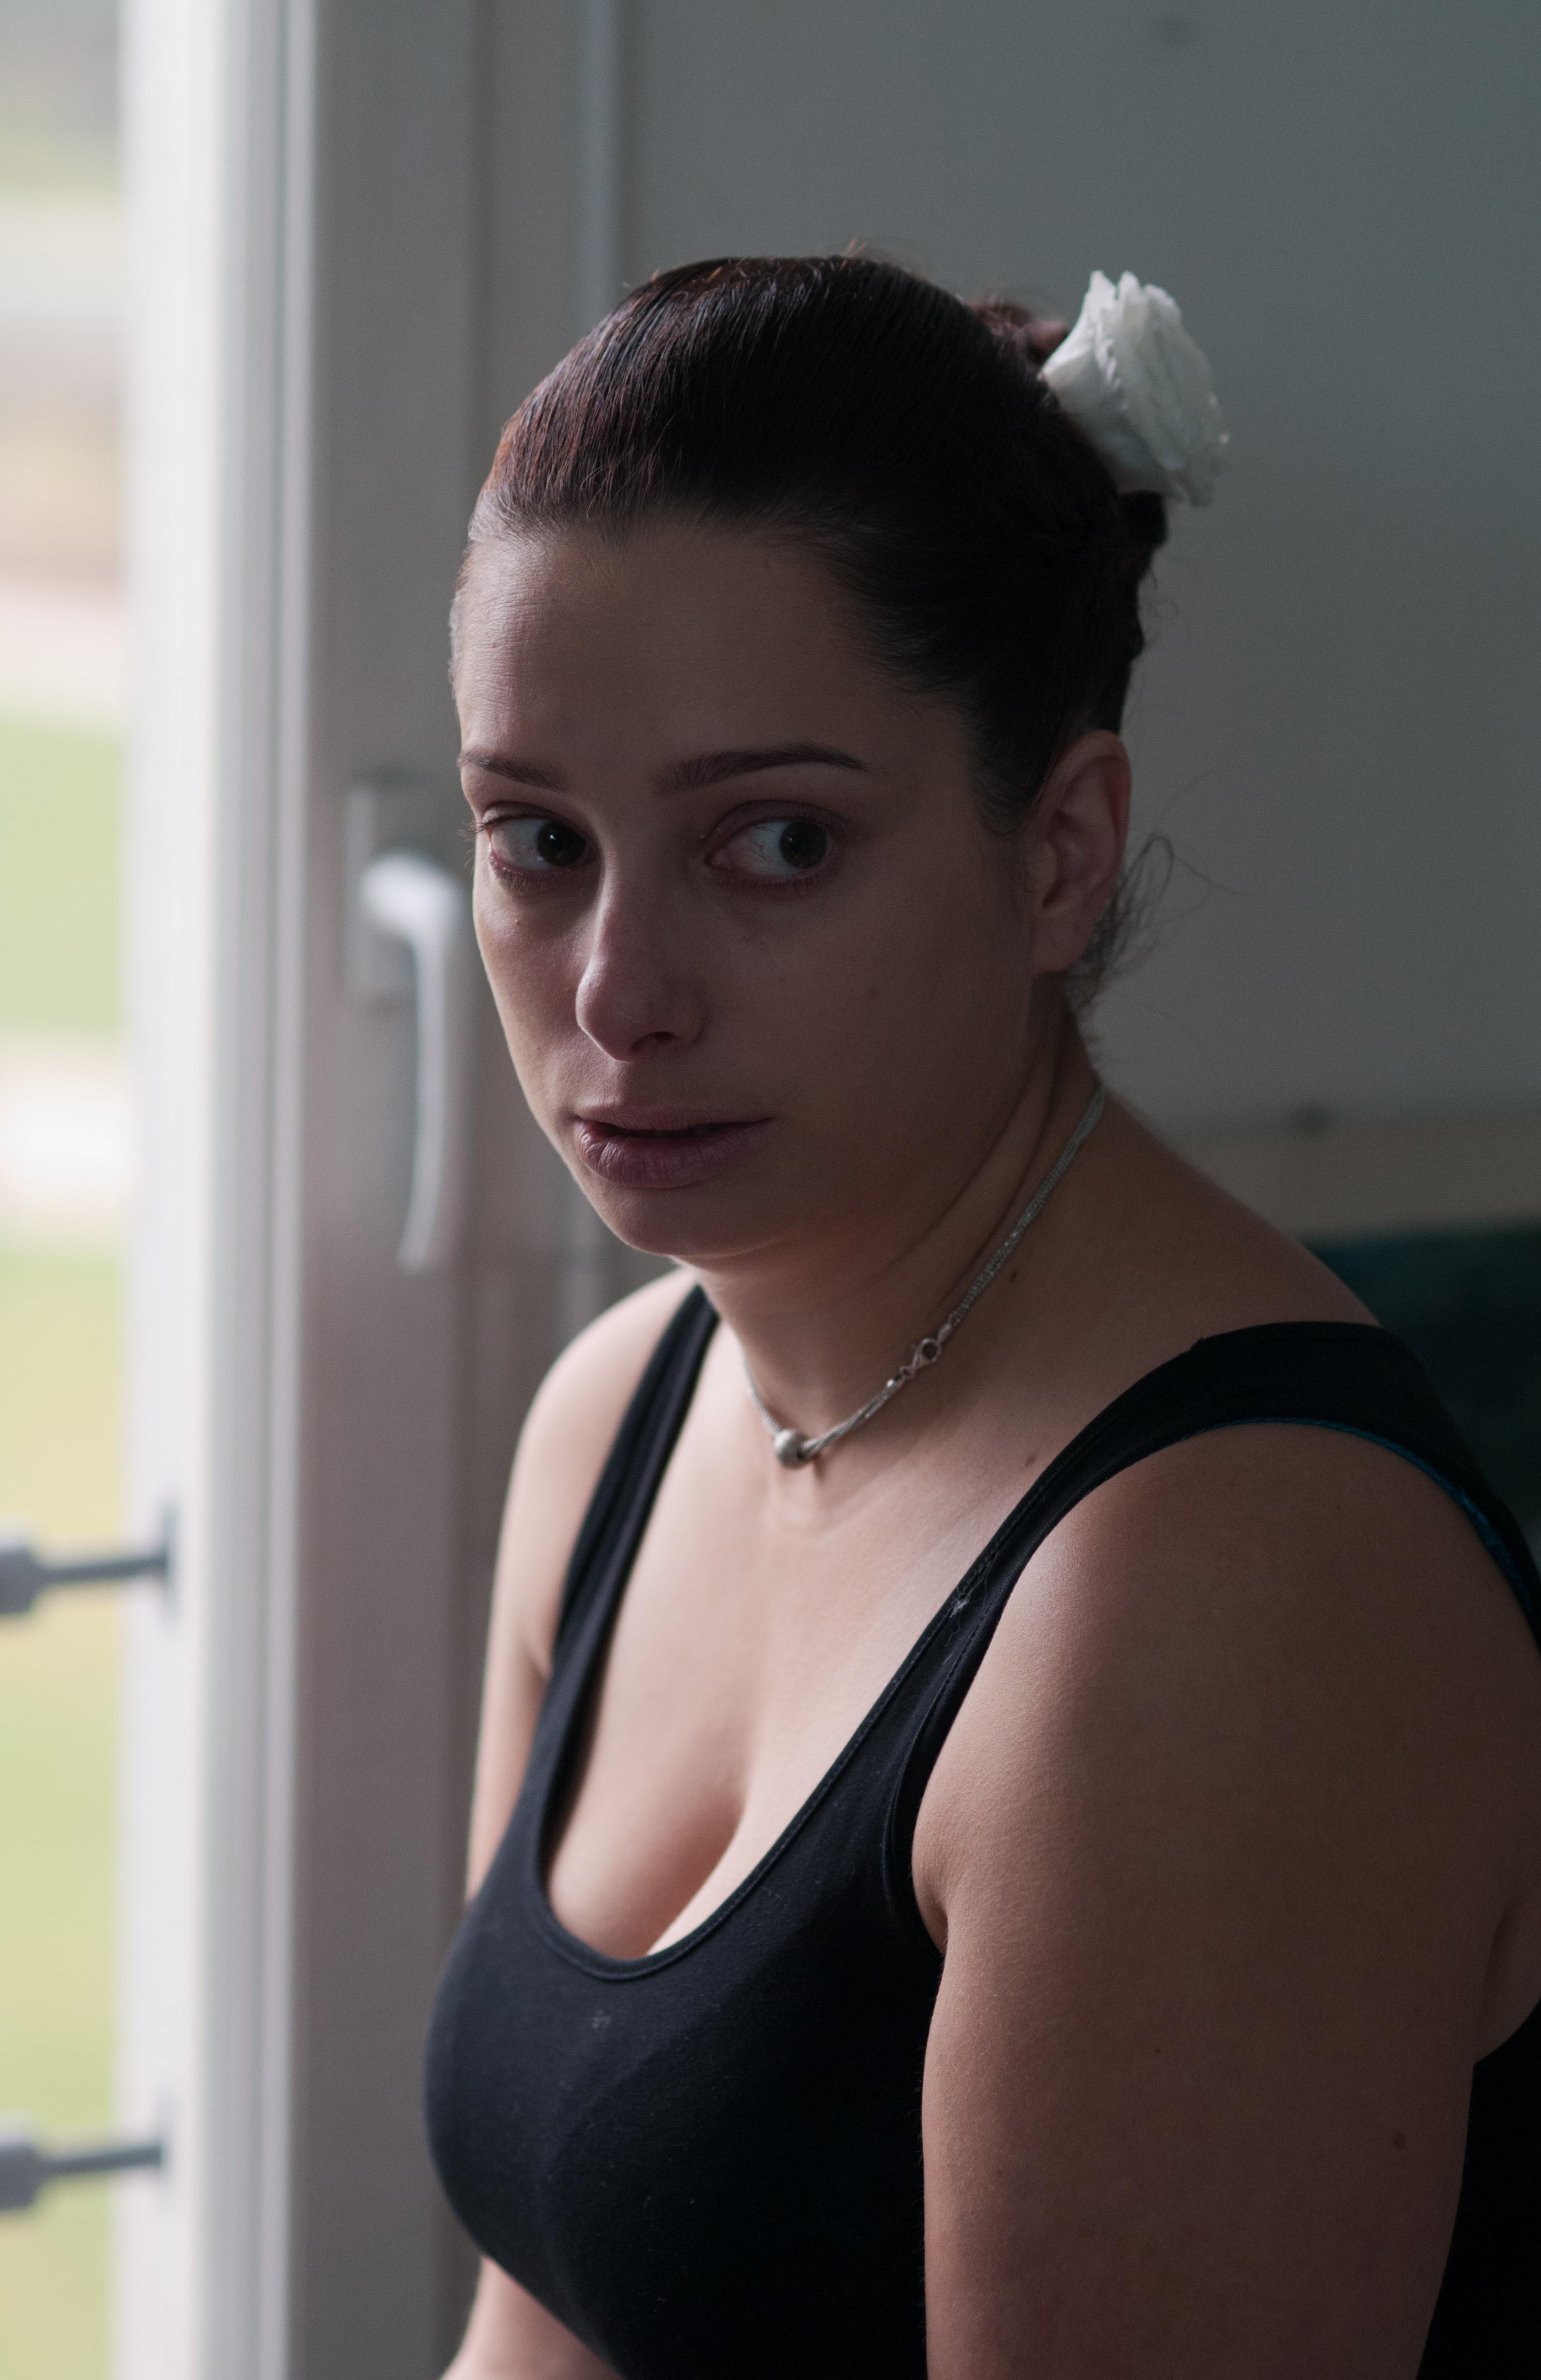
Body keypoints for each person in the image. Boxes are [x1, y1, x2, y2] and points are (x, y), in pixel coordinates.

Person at [422, 255, 1541, 2379]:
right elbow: (543, 2323)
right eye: (538, 840)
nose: (616, 994)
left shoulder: (1222, 1595)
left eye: (775, 842)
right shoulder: (620, 1414)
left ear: (1060, 854)